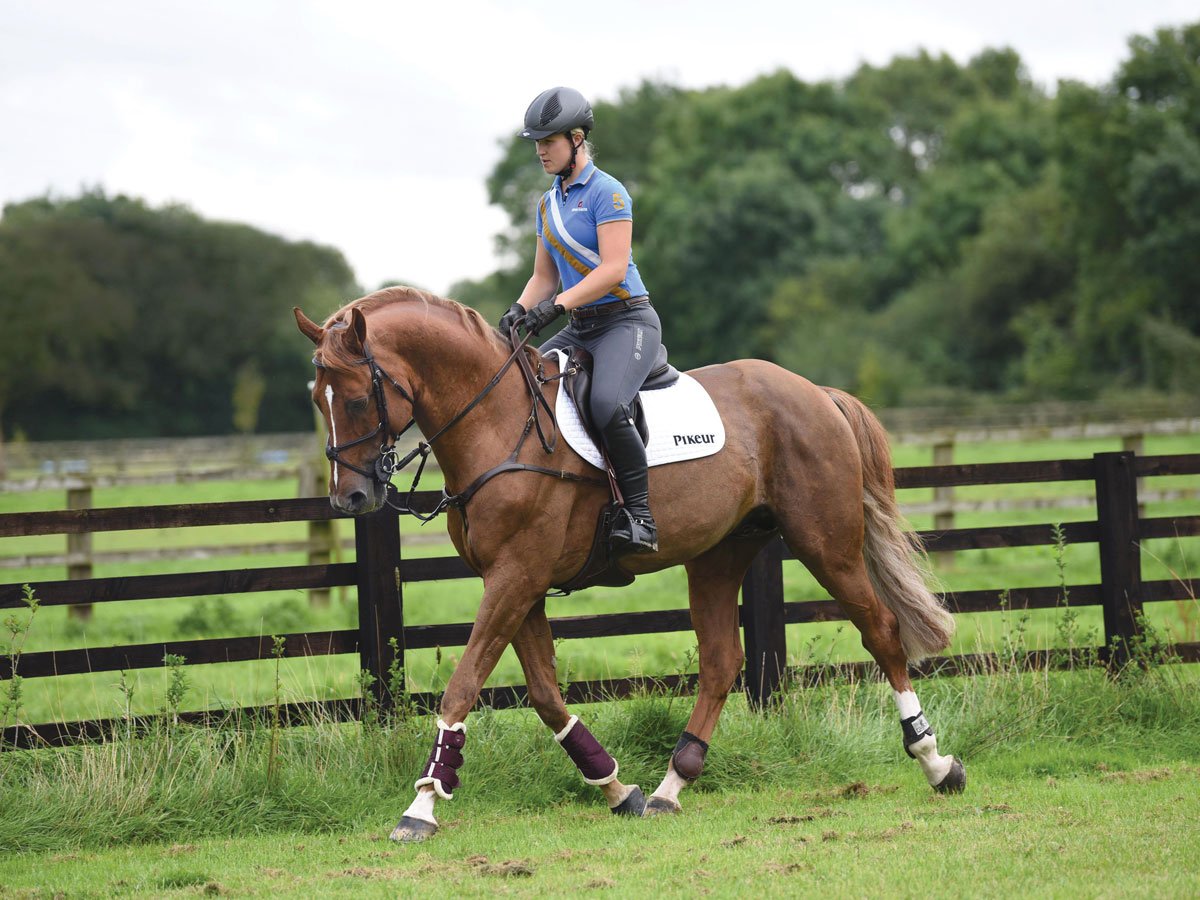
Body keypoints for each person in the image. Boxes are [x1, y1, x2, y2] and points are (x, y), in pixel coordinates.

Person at [498, 86, 661, 554]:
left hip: (626, 320)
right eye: (536, 143)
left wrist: (558, 306)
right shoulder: (547, 204)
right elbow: (542, 276)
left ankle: (642, 518)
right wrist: (520, 310)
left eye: (548, 141)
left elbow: (612, 268)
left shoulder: (608, 192)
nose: (540, 151)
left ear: (575, 138)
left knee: (608, 404)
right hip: (581, 324)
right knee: (522, 389)